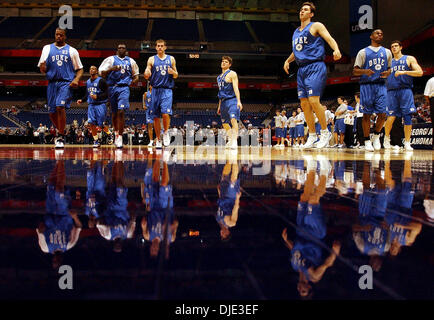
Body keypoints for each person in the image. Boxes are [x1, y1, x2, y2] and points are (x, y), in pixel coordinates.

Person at [283, 2, 341, 149]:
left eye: (306, 10)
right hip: (301, 69)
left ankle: (325, 132)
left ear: (311, 14)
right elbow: (297, 50)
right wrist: (288, 60)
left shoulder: (316, 26)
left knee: (314, 100)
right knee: (304, 104)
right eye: (301, 9)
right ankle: (313, 136)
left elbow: (329, 38)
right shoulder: (296, 32)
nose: (302, 11)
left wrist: (336, 49)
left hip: (315, 66)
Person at [38, 28, 83, 149]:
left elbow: (80, 68)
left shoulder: (72, 50)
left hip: (66, 83)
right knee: (52, 112)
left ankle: (60, 136)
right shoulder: (46, 48)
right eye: (57, 34)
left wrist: (76, 79)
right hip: (52, 83)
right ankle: (61, 130)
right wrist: (42, 68)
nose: (58, 37)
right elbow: (43, 69)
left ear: (65, 37)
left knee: (60, 106)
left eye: (61, 35)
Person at [36, 160, 82, 269]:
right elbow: (79, 227)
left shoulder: (45, 248)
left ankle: (58, 161)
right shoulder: (69, 245)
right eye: (58, 262)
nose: (56, 260)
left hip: (50, 211)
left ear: (52, 260)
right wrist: (75, 217)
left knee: (51, 184)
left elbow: (40, 229)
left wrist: (41, 229)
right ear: (62, 260)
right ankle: (61, 157)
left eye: (54, 261)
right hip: (64, 214)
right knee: (59, 190)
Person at [353, 29, 392, 151]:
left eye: (381, 33)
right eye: (377, 33)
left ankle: (376, 135)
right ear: (371, 36)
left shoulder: (387, 52)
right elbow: (355, 70)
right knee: (366, 115)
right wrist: (365, 71)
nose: (380, 34)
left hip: (381, 85)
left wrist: (388, 73)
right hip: (367, 86)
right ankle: (366, 140)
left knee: (383, 114)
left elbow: (391, 69)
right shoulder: (363, 52)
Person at [383, 40, 423, 151]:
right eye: (392, 46)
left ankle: (407, 143)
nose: (394, 48)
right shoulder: (387, 62)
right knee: (391, 117)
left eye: (396, 46)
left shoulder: (409, 59)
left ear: (401, 47)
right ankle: (386, 139)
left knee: (407, 116)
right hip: (391, 91)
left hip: (405, 90)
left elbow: (420, 72)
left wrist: (404, 72)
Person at [99, 43, 139, 149]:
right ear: (117, 50)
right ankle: (116, 133)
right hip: (112, 87)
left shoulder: (131, 61)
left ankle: (120, 137)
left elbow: (136, 76)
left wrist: (132, 82)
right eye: (119, 48)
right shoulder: (110, 60)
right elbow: (101, 74)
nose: (121, 49)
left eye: (123, 48)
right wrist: (111, 69)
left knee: (121, 112)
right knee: (114, 113)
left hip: (124, 88)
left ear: (126, 50)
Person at [144, 39, 179, 148]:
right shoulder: (151, 59)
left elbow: (176, 75)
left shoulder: (171, 59)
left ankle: (166, 132)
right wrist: (146, 72)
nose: (160, 47)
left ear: (165, 47)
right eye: (158, 46)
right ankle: (158, 139)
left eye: (162, 46)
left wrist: (173, 73)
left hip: (167, 90)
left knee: (165, 113)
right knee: (155, 117)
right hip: (155, 90)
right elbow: (146, 72)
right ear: (156, 47)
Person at [77, 65, 109, 148]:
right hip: (91, 105)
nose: (92, 70)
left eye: (94, 68)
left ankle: (110, 134)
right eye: (90, 68)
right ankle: (96, 141)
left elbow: (107, 93)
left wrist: (97, 97)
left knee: (100, 125)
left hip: (100, 104)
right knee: (91, 123)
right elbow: (87, 94)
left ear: (97, 71)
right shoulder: (87, 82)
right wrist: (82, 100)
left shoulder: (101, 81)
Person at [216, 56, 242, 150]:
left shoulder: (232, 74)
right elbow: (220, 92)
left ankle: (234, 141)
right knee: (224, 123)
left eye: (226, 62)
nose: (223, 63)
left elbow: (236, 88)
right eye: (222, 61)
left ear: (229, 64)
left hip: (232, 100)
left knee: (233, 119)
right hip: (223, 101)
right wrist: (219, 106)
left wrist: (239, 101)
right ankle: (231, 139)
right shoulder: (218, 77)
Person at [216, 160, 241, 241]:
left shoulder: (219, 220)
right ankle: (235, 159)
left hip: (223, 196)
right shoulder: (231, 223)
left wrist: (219, 193)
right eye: (224, 235)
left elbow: (220, 206)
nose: (221, 233)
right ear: (228, 233)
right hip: (231, 196)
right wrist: (238, 198)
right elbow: (235, 209)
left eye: (221, 235)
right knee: (233, 178)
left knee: (224, 175)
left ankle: (230, 160)